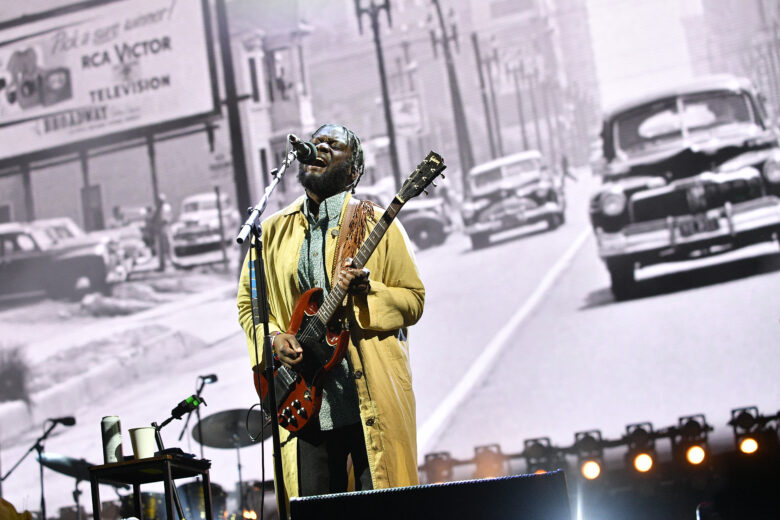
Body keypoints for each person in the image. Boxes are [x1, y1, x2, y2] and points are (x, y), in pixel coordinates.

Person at [237, 123, 425, 499]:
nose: (320, 147)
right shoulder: (271, 233)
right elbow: (249, 306)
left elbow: (413, 299)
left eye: (333, 144)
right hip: (305, 404)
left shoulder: (378, 224)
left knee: (385, 507)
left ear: (354, 170)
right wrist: (274, 340)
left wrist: (368, 292)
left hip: (369, 397)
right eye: (316, 141)